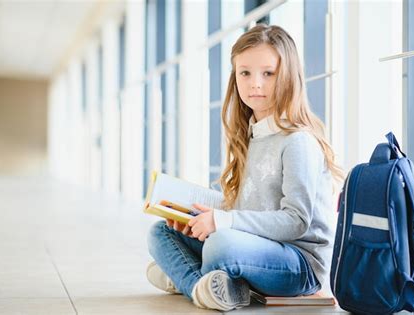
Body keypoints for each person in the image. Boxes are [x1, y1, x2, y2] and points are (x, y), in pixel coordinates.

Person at [146, 24, 344, 312]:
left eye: (268, 73)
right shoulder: (251, 134)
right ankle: (207, 285)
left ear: (287, 77)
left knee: (219, 246)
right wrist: (196, 219)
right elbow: (247, 208)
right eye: (245, 73)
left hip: (299, 264)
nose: (255, 84)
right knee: (159, 233)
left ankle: (188, 279)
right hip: (255, 246)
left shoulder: (298, 141)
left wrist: (222, 223)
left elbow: (296, 221)